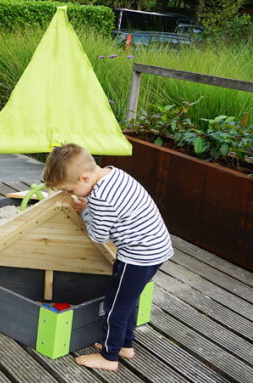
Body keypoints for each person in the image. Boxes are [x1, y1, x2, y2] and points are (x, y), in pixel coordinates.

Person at [42, 143, 173, 371]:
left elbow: (98, 235)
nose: (69, 195)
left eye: (69, 191)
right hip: (155, 248)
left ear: (84, 179)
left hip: (137, 256)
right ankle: (125, 345)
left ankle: (109, 357)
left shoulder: (101, 199)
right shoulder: (114, 173)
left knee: (114, 306)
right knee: (128, 300)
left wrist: (85, 212)